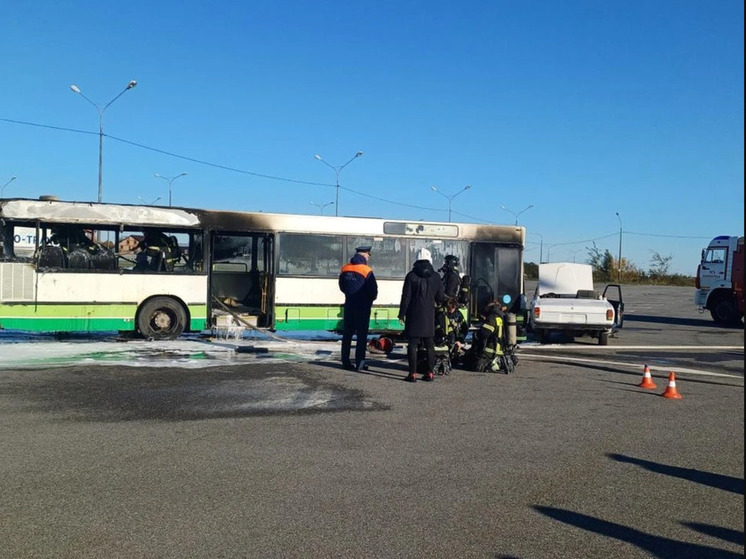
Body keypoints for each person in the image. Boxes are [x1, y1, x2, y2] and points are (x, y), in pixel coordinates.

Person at [398, 247, 446, 382]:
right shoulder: (436, 276)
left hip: (413, 314)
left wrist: (402, 313)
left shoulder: (411, 275)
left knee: (412, 344)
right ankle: (430, 373)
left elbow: (406, 296)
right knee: (430, 344)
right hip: (429, 315)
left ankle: (412, 374)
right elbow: (440, 296)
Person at [338, 245, 378, 371]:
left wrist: (349, 295)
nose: (368, 257)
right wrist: (369, 299)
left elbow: (341, 286)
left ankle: (345, 362)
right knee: (361, 336)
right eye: (368, 255)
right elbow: (373, 291)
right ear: (364, 255)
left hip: (349, 305)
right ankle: (360, 364)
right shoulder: (366, 270)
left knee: (347, 335)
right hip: (363, 307)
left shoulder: (345, 268)